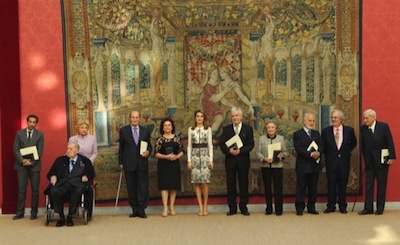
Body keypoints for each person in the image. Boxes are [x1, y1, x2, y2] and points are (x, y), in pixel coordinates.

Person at [46, 142, 95, 227]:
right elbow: (51, 172)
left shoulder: (85, 160)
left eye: (71, 149)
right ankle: (61, 216)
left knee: (79, 190)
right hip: (62, 184)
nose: (68, 151)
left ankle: (70, 216)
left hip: (77, 184)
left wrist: (86, 176)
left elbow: (91, 173)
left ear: (77, 150)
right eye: (67, 149)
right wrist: (53, 176)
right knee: (53, 190)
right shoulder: (60, 160)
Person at [358, 109, 396, 215]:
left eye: (366, 118)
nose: (364, 120)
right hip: (369, 162)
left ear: (373, 117)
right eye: (364, 118)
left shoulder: (383, 127)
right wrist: (364, 158)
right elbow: (363, 145)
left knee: (381, 185)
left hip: (382, 162)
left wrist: (392, 157)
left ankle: (380, 208)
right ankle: (368, 208)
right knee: (368, 185)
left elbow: (390, 141)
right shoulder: (363, 129)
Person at [220, 106, 254, 216]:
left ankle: (243, 207)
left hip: (243, 161)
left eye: (237, 116)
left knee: (244, 185)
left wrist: (241, 151)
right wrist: (229, 150)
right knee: (231, 185)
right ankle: (232, 208)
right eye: (233, 116)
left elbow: (251, 144)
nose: (235, 118)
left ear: (241, 116)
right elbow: (222, 144)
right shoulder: (226, 129)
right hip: (230, 161)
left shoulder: (248, 129)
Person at [322, 109, 357, 214]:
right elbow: (323, 145)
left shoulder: (349, 130)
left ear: (341, 119)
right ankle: (331, 206)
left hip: (344, 161)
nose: (333, 119)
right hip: (331, 162)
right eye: (332, 117)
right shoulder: (326, 131)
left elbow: (353, 143)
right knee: (331, 184)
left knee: (342, 184)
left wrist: (345, 152)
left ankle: (342, 206)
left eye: (335, 117)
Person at [118, 110, 152, 218]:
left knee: (142, 186)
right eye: (133, 117)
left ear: (140, 118)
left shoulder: (145, 131)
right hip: (128, 163)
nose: (135, 119)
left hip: (142, 163)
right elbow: (121, 148)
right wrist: (121, 162)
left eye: (137, 117)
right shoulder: (123, 131)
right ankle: (134, 209)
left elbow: (149, 146)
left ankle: (141, 209)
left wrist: (148, 152)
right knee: (131, 187)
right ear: (129, 119)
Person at [13, 114, 44, 220]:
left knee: (35, 190)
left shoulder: (40, 135)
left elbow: (40, 151)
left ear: (36, 123)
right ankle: (20, 212)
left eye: (34, 122)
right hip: (21, 166)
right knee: (21, 190)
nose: (32, 124)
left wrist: (31, 162)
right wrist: (22, 161)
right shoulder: (19, 133)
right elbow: (15, 149)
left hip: (34, 166)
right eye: (30, 121)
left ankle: (34, 213)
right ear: (27, 122)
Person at [293, 113, 324, 216]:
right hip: (303, 165)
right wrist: (311, 154)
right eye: (310, 121)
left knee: (313, 188)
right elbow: (298, 149)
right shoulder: (297, 134)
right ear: (304, 121)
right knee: (301, 187)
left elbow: (321, 145)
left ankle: (311, 207)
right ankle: (300, 208)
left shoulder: (316, 133)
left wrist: (319, 152)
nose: (311, 123)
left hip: (315, 165)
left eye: (313, 121)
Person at [256, 120, 288, 216]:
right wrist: (264, 159)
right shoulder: (261, 139)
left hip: (278, 167)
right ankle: (269, 208)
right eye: (268, 127)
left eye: (272, 127)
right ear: (266, 129)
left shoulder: (281, 139)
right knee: (267, 188)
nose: (270, 129)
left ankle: (279, 209)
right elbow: (258, 152)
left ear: (276, 129)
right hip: (266, 166)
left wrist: (282, 155)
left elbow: (286, 152)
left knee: (278, 188)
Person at [155, 118, 185, 217]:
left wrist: (176, 156)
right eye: (165, 125)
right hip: (163, 164)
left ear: (172, 127)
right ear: (162, 128)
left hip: (174, 164)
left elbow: (182, 151)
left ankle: (171, 206)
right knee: (164, 186)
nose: (167, 127)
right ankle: (164, 208)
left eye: (169, 125)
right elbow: (156, 153)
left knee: (173, 186)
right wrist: (165, 157)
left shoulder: (177, 138)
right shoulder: (160, 139)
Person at [187, 110, 214, 216]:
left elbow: (210, 145)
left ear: (204, 118)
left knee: (205, 183)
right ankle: (200, 206)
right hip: (194, 157)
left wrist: (211, 159)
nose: (199, 118)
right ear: (195, 118)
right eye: (197, 116)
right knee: (197, 182)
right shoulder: (191, 130)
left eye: (201, 116)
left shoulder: (207, 129)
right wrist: (189, 160)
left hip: (205, 156)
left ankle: (206, 204)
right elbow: (189, 145)